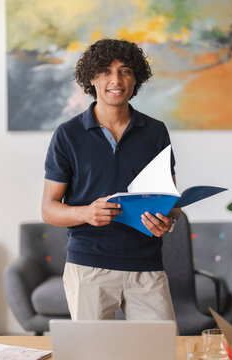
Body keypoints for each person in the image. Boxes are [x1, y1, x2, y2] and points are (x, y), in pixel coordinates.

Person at [41, 39, 181, 321]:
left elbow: (172, 203)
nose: (115, 80)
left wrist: (168, 221)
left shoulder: (156, 132)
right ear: (91, 78)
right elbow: (48, 209)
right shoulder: (68, 135)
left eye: (125, 71)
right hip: (89, 268)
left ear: (135, 78)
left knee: (158, 352)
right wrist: (86, 213)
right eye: (105, 71)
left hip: (147, 267)